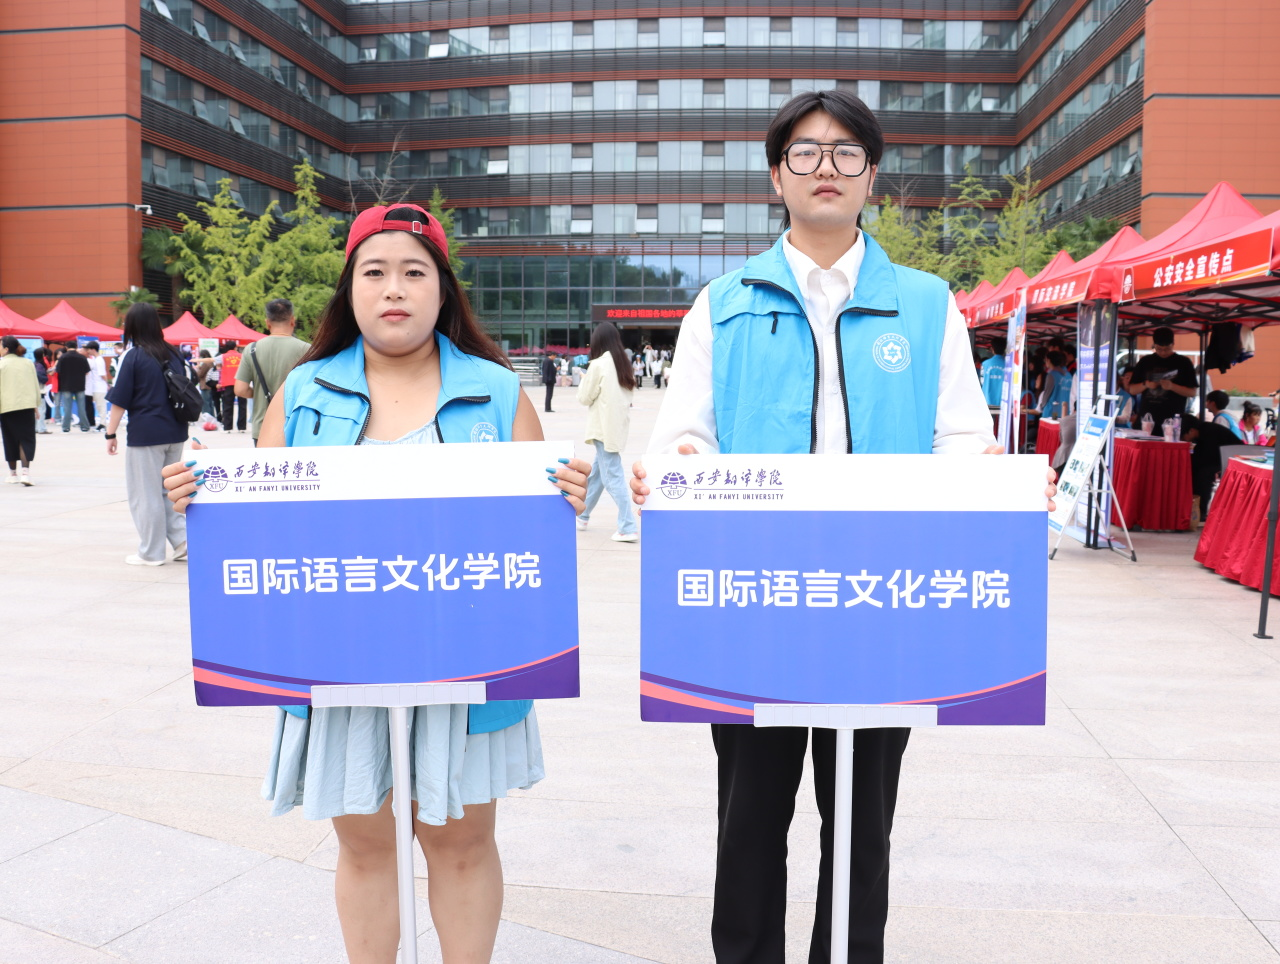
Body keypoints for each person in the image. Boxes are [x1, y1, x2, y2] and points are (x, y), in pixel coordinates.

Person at [628, 88, 1055, 964]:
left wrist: (995, 480)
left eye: (846, 153)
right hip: (756, 598)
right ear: (775, 176)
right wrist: (675, 469)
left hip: (876, 597)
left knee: (863, 823)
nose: (826, 168)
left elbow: (959, 436)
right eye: (806, 153)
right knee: (750, 817)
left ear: (872, 177)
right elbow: (685, 437)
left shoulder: (927, 305)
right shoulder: (723, 303)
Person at [163, 203, 590, 964]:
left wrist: (569, 494)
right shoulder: (302, 393)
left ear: (443, 289)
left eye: (414, 272)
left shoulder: (497, 392)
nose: (395, 288)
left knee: (463, 844)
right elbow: (262, 527)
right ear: (350, 289)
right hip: (341, 665)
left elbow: (534, 531)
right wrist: (204, 499)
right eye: (375, 272)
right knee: (365, 845)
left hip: (468, 664)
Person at [105, 303, 189, 566]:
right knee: (168, 490)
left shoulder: (134, 356)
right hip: (176, 431)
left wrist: (110, 434)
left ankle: (151, 553)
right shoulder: (174, 353)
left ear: (132, 326)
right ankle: (183, 542)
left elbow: (120, 400)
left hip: (146, 434)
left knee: (145, 494)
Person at [576, 321, 639, 543]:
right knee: (598, 475)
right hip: (616, 429)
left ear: (598, 341)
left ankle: (628, 526)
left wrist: (584, 379)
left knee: (612, 477)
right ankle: (583, 516)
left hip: (602, 429)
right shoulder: (623, 365)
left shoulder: (599, 365)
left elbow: (584, 398)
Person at [234, 298, 310, 445]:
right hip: (296, 426)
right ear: (292, 320)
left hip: (263, 428)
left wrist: (259, 393)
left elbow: (240, 389)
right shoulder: (307, 349)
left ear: (267, 323)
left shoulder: (252, 350)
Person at [1129, 327, 1198, 434]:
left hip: (1172, 421)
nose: (1163, 352)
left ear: (1173, 344)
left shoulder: (1184, 362)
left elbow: (1192, 392)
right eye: (1159, 349)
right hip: (1146, 420)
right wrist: (1146, 384)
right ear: (1154, 345)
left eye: (1167, 349)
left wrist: (1172, 386)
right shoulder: (1145, 361)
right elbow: (1132, 390)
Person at [1179, 414, 1242, 523]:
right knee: (1196, 470)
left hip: (1235, 458)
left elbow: (1207, 459)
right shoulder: (1203, 431)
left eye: (1183, 436)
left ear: (1191, 430)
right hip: (1219, 457)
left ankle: (1200, 512)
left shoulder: (1209, 433)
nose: (1183, 439)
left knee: (1203, 475)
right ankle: (1194, 509)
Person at [0, 336, 41, 485]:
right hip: (27, 406)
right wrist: (36, 405)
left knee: (9, 439)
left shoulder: (1, 364)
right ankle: (25, 473)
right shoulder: (28, 363)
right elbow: (35, 385)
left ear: (6, 349)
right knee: (26, 439)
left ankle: (12, 474)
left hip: (6, 407)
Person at [55, 341, 91, 432]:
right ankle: (85, 426)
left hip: (66, 385)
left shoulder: (62, 357)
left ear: (66, 347)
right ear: (76, 347)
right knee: (81, 407)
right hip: (80, 385)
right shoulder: (82, 357)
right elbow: (87, 371)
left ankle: (66, 427)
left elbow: (58, 371)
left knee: (67, 407)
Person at [217, 339, 247, 432]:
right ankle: (242, 427)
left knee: (227, 406)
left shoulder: (223, 357)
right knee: (242, 405)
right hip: (241, 382)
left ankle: (227, 427)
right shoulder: (242, 356)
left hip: (228, 383)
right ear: (235, 347)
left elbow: (212, 361)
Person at [1034, 350, 1073, 419]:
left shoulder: (1052, 374)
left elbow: (1047, 393)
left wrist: (1042, 406)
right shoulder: (1069, 375)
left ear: (1048, 360)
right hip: (1066, 411)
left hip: (1052, 411)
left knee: (1053, 424)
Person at [84, 341, 110, 430]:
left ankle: (103, 424)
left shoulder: (99, 360)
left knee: (101, 406)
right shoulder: (96, 359)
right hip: (96, 387)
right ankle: (102, 423)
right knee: (99, 406)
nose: (88, 351)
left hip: (100, 387)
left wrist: (107, 383)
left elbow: (102, 374)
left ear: (93, 349)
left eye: (88, 349)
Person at [980, 336, 1006, 407]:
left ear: (992, 348)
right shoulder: (1009, 365)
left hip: (987, 401)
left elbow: (982, 382)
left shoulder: (985, 364)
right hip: (1004, 403)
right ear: (1005, 348)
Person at [32, 347, 51, 434]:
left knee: (36, 410)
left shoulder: (34, 364)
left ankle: (36, 428)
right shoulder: (40, 365)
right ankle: (41, 428)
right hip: (40, 389)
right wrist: (46, 377)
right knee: (41, 409)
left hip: (34, 390)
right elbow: (41, 377)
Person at [194, 350, 217, 417]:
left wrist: (198, 368)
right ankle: (212, 417)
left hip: (205, 385)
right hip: (210, 385)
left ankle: (207, 418)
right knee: (210, 403)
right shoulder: (211, 362)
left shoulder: (205, 363)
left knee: (205, 403)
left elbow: (200, 374)